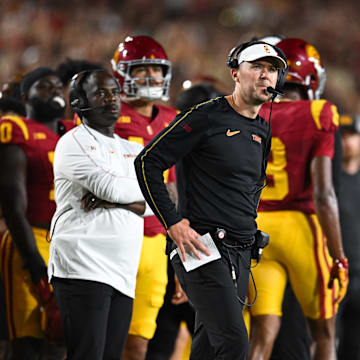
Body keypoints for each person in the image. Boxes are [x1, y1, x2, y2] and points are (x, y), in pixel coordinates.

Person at [134, 40, 288, 360]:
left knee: (207, 345)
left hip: (241, 248)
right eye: (256, 67)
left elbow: (250, 189)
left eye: (272, 70)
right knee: (234, 343)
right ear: (235, 73)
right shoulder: (206, 116)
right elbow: (147, 161)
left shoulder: (262, 128)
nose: (265, 76)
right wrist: (173, 223)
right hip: (200, 245)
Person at [249, 38, 348, 360]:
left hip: (257, 228)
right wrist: (338, 253)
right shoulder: (319, 112)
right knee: (324, 334)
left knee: (261, 334)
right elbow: (324, 195)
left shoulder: (250, 111)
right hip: (300, 227)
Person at [49, 69, 153, 360]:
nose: (112, 99)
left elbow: (159, 201)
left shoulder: (134, 149)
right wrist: (128, 198)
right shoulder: (72, 142)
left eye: (115, 92)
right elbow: (110, 187)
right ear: (80, 103)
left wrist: (115, 201)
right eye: (101, 93)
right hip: (82, 264)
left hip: (123, 271)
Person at [146, 82, 224, 360]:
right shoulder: (198, 153)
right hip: (188, 256)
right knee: (213, 341)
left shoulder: (171, 144)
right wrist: (185, 269)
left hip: (177, 255)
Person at [111, 35, 178, 360]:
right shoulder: (106, 115)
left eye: (155, 70)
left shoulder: (173, 118)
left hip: (156, 238)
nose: (150, 77)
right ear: (123, 73)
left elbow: (177, 190)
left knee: (138, 342)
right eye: (141, 70)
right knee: (100, 337)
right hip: (113, 234)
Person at [0, 66, 71, 359]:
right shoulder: (15, 129)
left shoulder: (73, 133)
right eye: (44, 86)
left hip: (68, 242)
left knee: (60, 336)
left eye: (57, 86)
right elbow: (12, 201)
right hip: (31, 236)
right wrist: (32, 257)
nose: (54, 91)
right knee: (27, 340)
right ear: (26, 95)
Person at [336, 114, 360, 360]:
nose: (347, 142)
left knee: (354, 345)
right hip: (333, 270)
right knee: (323, 336)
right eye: (341, 137)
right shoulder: (325, 180)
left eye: (351, 136)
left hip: (359, 272)